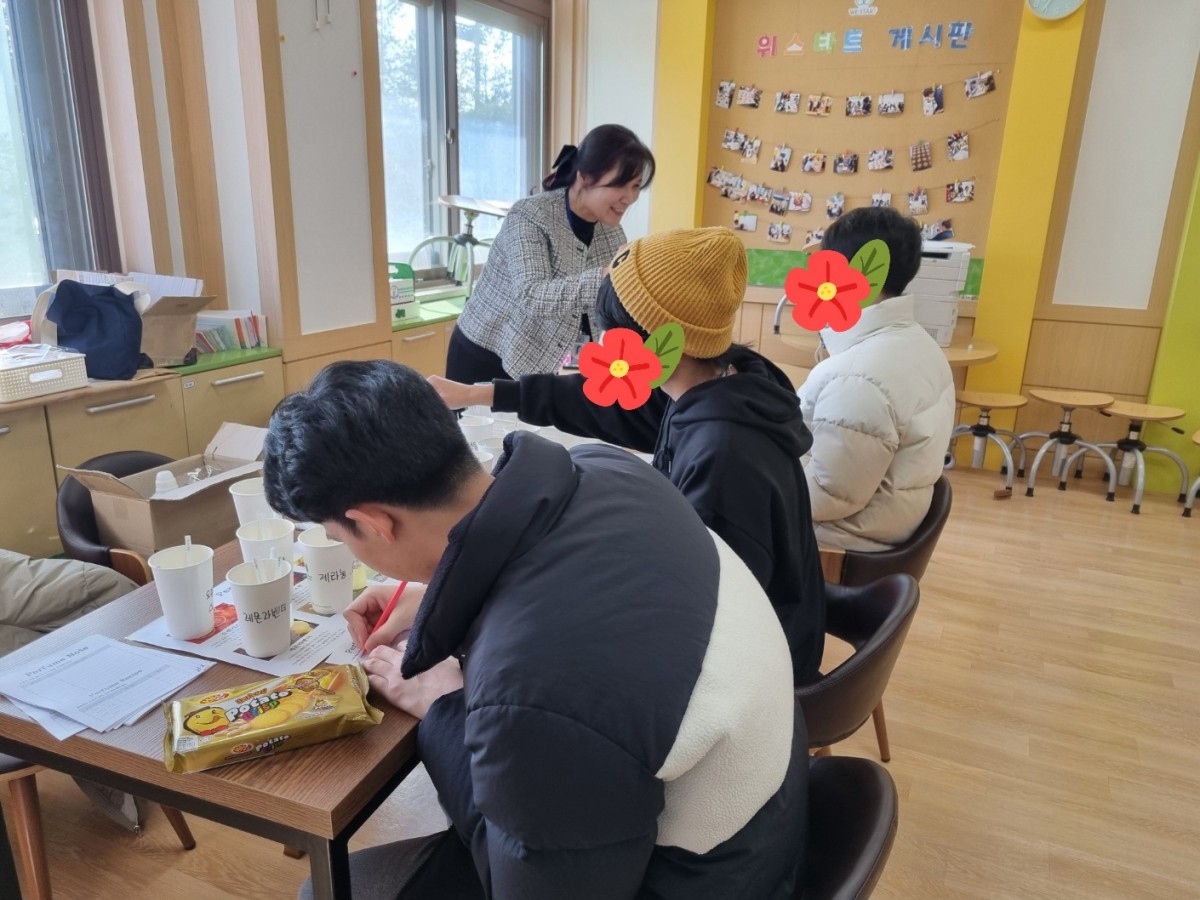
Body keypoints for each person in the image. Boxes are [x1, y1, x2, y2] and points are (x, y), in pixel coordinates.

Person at [265, 360, 808, 900]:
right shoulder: (606, 470)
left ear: (375, 522)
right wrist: (442, 592)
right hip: (767, 812)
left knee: (323, 893)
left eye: (340, 536)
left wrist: (446, 710)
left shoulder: (532, 696)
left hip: (708, 878)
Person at [430, 227, 826, 684]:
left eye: (610, 335)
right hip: (760, 620)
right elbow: (605, 401)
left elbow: (699, 606)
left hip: (757, 664)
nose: (603, 351)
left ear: (654, 341)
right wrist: (479, 394)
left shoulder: (724, 451)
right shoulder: (723, 381)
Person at [796, 206, 955, 550]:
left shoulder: (857, 377)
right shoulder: (917, 342)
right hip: (881, 525)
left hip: (836, 541)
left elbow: (827, 498)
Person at [446, 124, 655, 383]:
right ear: (584, 177)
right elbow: (531, 296)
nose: (630, 198)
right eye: (621, 185)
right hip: (486, 353)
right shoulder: (530, 216)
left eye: (636, 186)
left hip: (543, 364)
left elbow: (592, 312)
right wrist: (606, 276)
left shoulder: (612, 233)